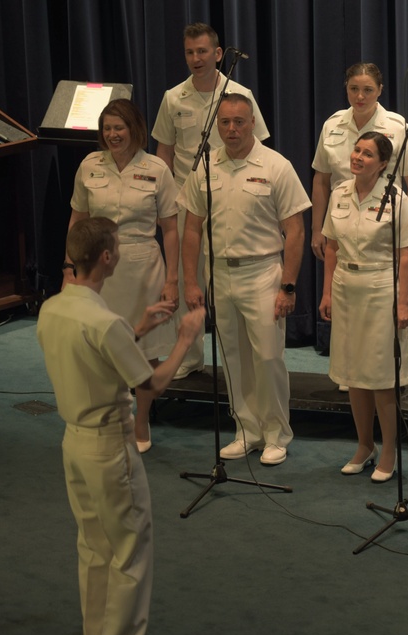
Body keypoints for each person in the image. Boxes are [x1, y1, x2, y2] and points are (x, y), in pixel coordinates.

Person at [38, 216, 205, 635]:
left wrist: (140, 328)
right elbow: (149, 384)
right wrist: (183, 340)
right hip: (110, 450)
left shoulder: (52, 308)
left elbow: (93, 354)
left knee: (93, 550)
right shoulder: (104, 322)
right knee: (130, 555)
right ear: (108, 258)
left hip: (73, 444)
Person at [179, 93, 310, 466]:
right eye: (224, 123)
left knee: (268, 358)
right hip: (219, 272)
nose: (232, 129)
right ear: (216, 125)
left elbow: (295, 230)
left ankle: (276, 434)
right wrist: (191, 281)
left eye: (239, 122)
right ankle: (246, 430)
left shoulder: (276, 165)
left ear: (253, 123)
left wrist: (288, 285)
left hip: (262, 273)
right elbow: (191, 229)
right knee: (233, 358)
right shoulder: (205, 167)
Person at [152, 21, 271, 380]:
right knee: (188, 279)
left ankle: (237, 360)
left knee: (225, 283)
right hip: (187, 203)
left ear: (218, 54)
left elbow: (260, 145)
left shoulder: (239, 92)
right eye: (189, 52)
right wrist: (168, 202)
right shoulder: (174, 97)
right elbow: (164, 151)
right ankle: (188, 357)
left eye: (202, 51)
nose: (196, 59)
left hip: (231, 198)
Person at [65, 98, 180, 454]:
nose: (113, 135)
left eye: (119, 127)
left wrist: (172, 279)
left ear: (135, 129)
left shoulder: (157, 168)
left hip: (143, 265)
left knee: (144, 351)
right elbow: (77, 221)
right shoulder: (89, 166)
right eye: (107, 128)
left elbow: (171, 229)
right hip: (97, 270)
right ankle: (108, 418)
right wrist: (69, 268)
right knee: (99, 348)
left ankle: (141, 419)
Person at [319, 132, 408, 481]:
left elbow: (404, 254)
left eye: (367, 154)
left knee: (380, 377)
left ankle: (389, 448)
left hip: (381, 288)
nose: (358, 157)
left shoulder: (396, 198)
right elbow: (331, 247)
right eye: (356, 150)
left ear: (382, 164)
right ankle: (364, 445)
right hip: (346, 286)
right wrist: (327, 292)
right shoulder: (339, 193)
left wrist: (402, 302)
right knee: (353, 374)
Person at [309, 62, 408, 261]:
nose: (360, 96)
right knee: (339, 286)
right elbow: (321, 180)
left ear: (380, 90)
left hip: (384, 225)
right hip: (341, 223)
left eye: (368, 90)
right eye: (354, 89)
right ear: (346, 87)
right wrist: (317, 229)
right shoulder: (332, 125)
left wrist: (405, 231)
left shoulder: (397, 127)